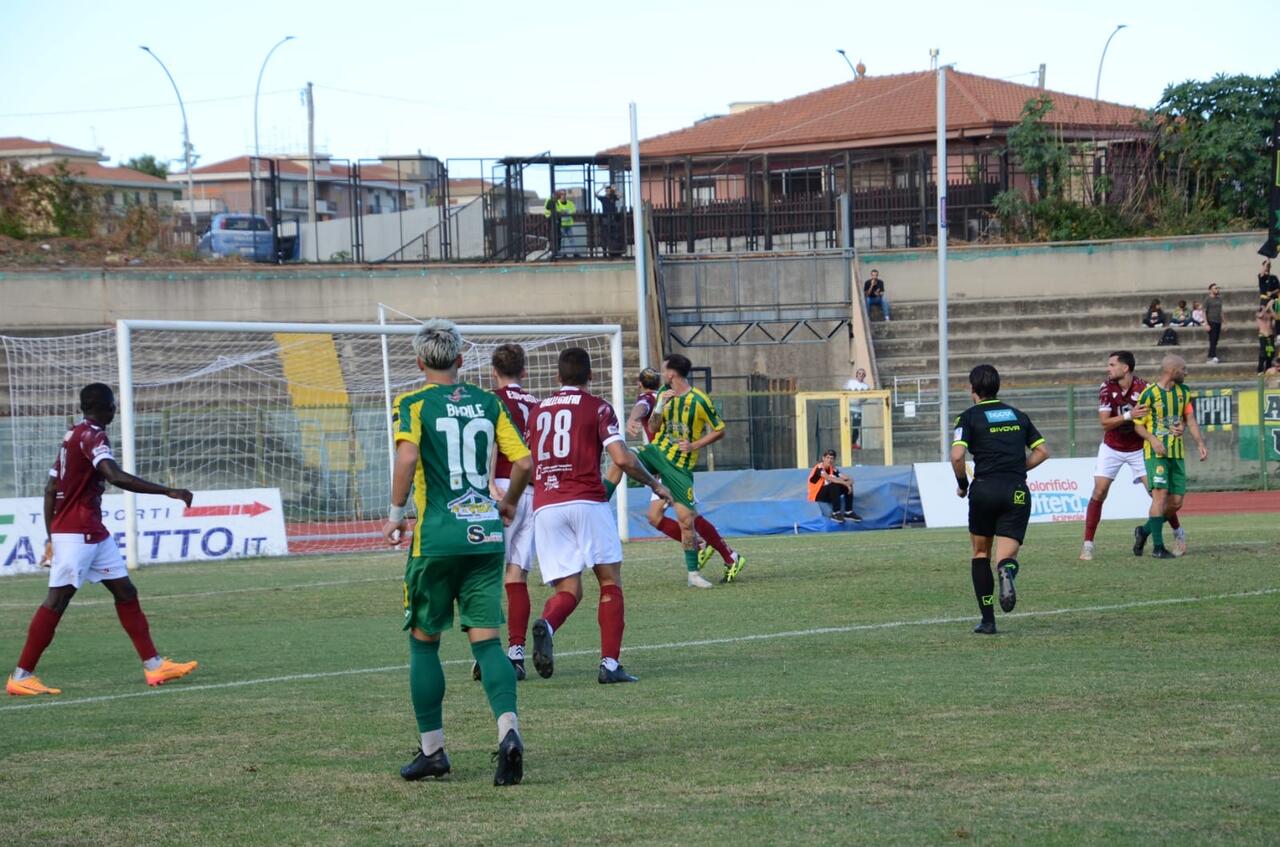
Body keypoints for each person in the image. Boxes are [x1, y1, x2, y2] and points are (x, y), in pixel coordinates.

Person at [383, 319, 532, 785]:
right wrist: (506, 503)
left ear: (419, 361)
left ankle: (433, 751)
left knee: (424, 640)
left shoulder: (411, 402)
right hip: (484, 534)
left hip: (437, 538)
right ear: (462, 359)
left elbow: (408, 458)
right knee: (487, 641)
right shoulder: (489, 402)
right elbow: (524, 462)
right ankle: (508, 731)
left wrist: (394, 514)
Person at [7, 383, 198, 697]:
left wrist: (51, 534)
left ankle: (154, 665)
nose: (116, 409)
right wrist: (168, 491)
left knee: (125, 591)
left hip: (90, 532)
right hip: (78, 533)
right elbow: (115, 476)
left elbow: (49, 488)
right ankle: (21, 675)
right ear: (107, 407)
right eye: (114, 404)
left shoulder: (71, 435)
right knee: (57, 600)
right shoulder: (93, 436)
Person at [527, 348, 672, 684]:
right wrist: (654, 484)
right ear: (590, 376)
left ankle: (547, 625)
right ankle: (609, 665)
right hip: (587, 501)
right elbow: (621, 458)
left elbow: (528, 463)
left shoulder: (536, 412)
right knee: (609, 581)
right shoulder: (598, 407)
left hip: (546, 505)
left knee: (569, 589)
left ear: (557, 377)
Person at [602, 368, 737, 574]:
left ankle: (728, 555)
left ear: (639, 385)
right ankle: (705, 547)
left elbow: (642, 405)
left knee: (686, 515)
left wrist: (633, 418)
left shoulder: (651, 397)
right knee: (658, 516)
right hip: (663, 462)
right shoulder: (667, 395)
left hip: (666, 463)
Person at [950, 364, 1050, 634]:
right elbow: (1043, 451)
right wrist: (1017, 469)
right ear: (997, 387)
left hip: (984, 489)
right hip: (1016, 490)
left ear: (972, 389)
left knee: (980, 554)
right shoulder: (1018, 415)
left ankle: (988, 620)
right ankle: (1007, 570)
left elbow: (958, 456)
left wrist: (962, 485)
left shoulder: (968, 418)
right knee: (1005, 557)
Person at [645, 354, 748, 587]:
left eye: (663, 369)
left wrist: (693, 445)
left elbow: (719, 429)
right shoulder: (663, 394)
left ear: (672, 373)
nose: (661, 373)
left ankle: (727, 555)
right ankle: (712, 549)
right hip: (662, 461)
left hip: (679, 467)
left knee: (682, 517)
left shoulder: (699, 400)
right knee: (662, 517)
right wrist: (660, 407)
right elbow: (653, 426)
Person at [472, 344, 540, 683]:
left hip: (501, 487)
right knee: (517, 575)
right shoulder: (537, 404)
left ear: (492, 371)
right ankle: (515, 654)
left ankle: (487, 654)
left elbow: (491, 441)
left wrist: (489, 483)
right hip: (533, 490)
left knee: (486, 575)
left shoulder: (491, 400)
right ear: (524, 371)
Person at [1131, 354, 1208, 560]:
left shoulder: (1184, 392)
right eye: (1184, 369)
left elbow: (1189, 419)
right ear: (1172, 371)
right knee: (1160, 496)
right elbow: (1138, 425)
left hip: (1176, 453)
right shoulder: (1148, 394)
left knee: (1176, 503)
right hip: (1155, 454)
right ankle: (1158, 548)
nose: (1186, 372)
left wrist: (1200, 442)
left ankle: (1144, 531)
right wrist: (1153, 440)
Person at [1080, 351, 1149, 561]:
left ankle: (1177, 534)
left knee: (1158, 494)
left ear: (1125, 367)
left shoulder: (1144, 388)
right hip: (1112, 447)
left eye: (1112, 365)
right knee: (1099, 491)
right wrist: (1129, 415)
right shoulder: (1106, 387)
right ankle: (1088, 545)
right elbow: (1104, 422)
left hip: (1139, 447)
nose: (1108, 369)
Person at [808, 449, 860, 522]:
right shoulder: (819, 468)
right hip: (816, 495)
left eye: (832, 458)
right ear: (823, 458)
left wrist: (849, 483)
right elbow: (829, 478)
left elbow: (847, 478)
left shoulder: (833, 469)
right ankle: (835, 513)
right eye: (828, 457)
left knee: (845, 483)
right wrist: (845, 484)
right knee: (834, 484)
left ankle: (848, 512)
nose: (829, 460)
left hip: (828, 493)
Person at [843, 367, 870, 450]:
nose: (861, 375)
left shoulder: (866, 386)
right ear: (856, 375)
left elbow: (867, 397)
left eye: (863, 374)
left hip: (858, 409)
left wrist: (861, 399)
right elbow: (843, 392)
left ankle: (853, 443)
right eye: (859, 373)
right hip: (848, 408)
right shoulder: (851, 383)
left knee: (856, 427)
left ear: (864, 376)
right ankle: (846, 443)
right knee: (847, 426)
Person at [543, 189, 576, 255]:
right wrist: (561, 212)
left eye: (564, 194)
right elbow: (551, 209)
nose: (562, 196)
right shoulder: (552, 201)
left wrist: (562, 212)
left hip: (563, 223)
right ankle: (556, 252)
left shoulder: (567, 203)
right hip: (556, 222)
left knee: (564, 238)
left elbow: (573, 211)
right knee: (557, 237)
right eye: (561, 195)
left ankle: (560, 252)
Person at [596, 184, 624, 257]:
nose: (608, 192)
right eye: (607, 190)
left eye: (609, 190)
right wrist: (602, 187)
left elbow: (620, 196)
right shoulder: (603, 198)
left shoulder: (613, 197)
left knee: (613, 234)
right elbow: (595, 194)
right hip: (605, 218)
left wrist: (615, 190)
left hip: (612, 218)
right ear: (605, 191)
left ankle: (613, 251)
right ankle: (605, 251)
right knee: (605, 234)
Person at [1257, 300, 1279, 373]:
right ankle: (1260, 370)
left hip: (1270, 335)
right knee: (1263, 353)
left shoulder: (1270, 314)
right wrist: (1265, 308)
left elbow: (1276, 317)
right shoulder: (1259, 313)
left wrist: (1271, 308)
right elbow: (1260, 316)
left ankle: (1268, 368)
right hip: (1263, 335)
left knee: (1271, 353)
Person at [1204, 283, 1223, 363]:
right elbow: (1204, 312)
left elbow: (1221, 311)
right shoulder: (1207, 300)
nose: (1217, 290)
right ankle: (1212, 356)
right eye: (1215, 288)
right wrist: (1206, 323)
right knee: (1212, 339)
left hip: (1218, 321)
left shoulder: (1219, 299)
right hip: (1211, 321)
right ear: (1210, 290)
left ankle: (1211, 355)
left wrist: (1224, 322)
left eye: (1217, 288)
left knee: (1216, 340)